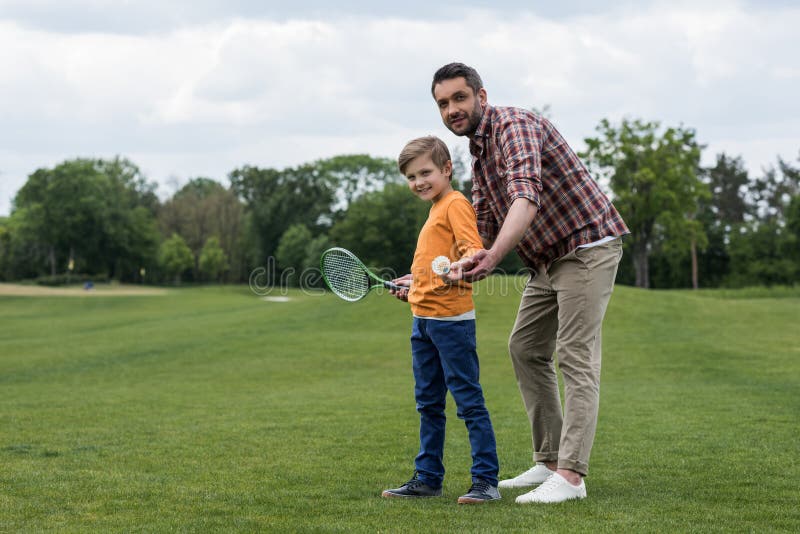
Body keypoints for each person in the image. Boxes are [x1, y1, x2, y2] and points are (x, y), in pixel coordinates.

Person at [401, 62, 630, 504]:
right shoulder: (479, 153)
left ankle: (570, 477)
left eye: (459, 98)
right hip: (546, 258)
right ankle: (547, 461)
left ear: (481, 98)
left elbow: (526, 195)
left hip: (587, 246)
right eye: (443, 103)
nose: (452, 109)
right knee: (524, 348)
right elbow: (481, 228)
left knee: (575, 356)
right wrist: (424, 275)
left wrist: (495, 256)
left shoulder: (513, 126)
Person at [381, 135, 501, 504]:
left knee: (468, 402)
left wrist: (466, 264)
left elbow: (471, 249)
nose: (418, 181)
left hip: (451, 323)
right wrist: (413, 283)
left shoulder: (454, 204)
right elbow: (436, 265)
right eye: (411, 176)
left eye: (425, 172)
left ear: (447, 169)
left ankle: (485, 482)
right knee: (429, 403)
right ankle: (428, 478)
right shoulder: (435, 208)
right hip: (423, 321)